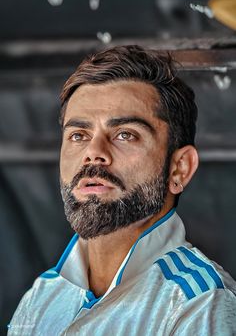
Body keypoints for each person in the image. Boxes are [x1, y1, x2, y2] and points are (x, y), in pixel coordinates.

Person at [8, 45, 236, 335]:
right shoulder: (41, 295)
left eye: (125, 134)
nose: (94, 153)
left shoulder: (199, 304)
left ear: (179, 168)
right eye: (78, 135)